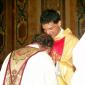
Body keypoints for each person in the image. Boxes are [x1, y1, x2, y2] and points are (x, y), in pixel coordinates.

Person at [40, 9, 79, 85]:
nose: (47, 32)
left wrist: (56, 64)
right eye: (44, 29)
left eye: (50, 28)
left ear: (59, 23)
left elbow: (78, 69)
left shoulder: (72, 41)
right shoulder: (43, 41)